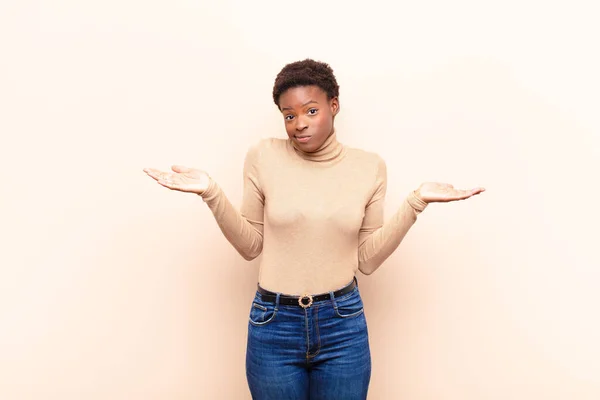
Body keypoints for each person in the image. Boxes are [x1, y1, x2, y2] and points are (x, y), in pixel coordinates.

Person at [143, 59, 485, 400]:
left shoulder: (369, 167)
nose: (298, 124)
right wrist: (211, 193)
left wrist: (416, 203)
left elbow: (366, 259)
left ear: (333, 105)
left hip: (342, 324)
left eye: (310, 111)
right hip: (273, 323)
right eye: (288, 115)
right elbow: (251, 246)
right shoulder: (263, 156)